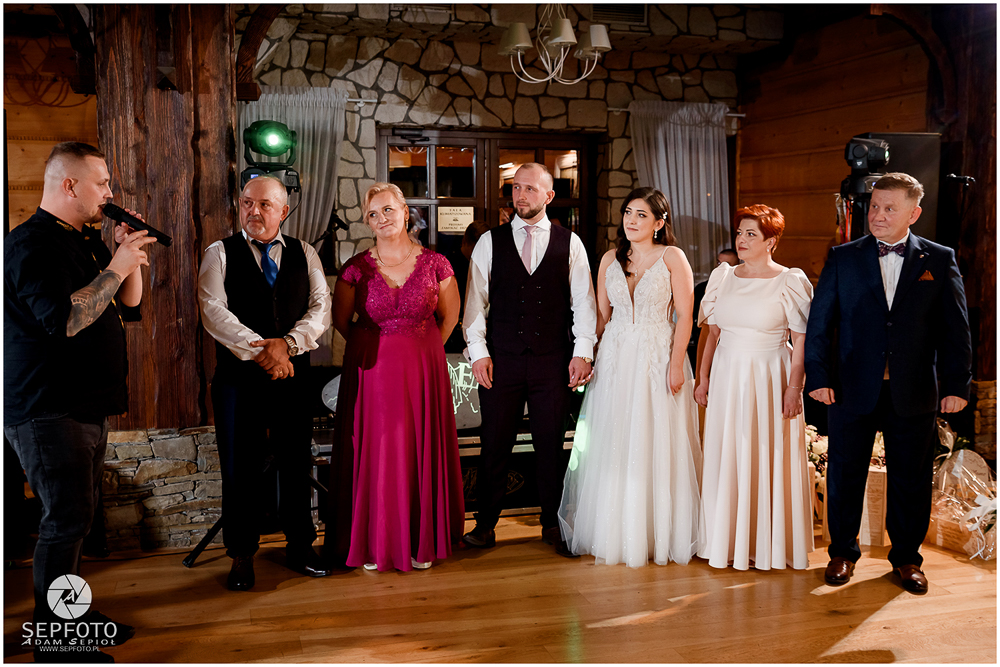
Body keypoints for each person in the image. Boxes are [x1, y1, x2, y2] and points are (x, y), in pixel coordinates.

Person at [4, 141, 155, 660]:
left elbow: (128, 303)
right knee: (63, 521)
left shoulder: (83, 239)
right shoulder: (31, 245)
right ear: (69, 185)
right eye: (102, 183)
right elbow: (67, 319)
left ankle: (73, 616)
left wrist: (127, 254)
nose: (110, 193)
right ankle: (55, 640)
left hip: (84, 405)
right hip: (47, 407)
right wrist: (116, 265)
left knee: (78, 520)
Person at [805, 172, 972, 593]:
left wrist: (957, 385)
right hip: (850, 387)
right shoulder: (843, 257)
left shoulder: (939, 259)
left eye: (889, 208)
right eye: (875, 206)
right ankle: (842, 554)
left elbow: (956, 328)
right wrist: (818, 377)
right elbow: (820, 324)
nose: (877, 215)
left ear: (914, 213)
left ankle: (907, 560)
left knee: (910, 480)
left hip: (914, 390)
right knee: (844, 474)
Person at [198, 175, 332, 591]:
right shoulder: (219, 252)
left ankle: (300, 546)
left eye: (264, 205)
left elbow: (321, 308)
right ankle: (241, 554)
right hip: (238, 382)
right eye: (246, 203)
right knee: (240, 467)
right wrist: (262, 351)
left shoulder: (305, 253)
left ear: (284, 211)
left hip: (293, 377)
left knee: (295, 461)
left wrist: (287, 346)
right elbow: (213, 310)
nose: (253, 211)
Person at [557, 187, 704, 566]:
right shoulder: (610, 258)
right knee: (614, 437)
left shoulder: (673, 257)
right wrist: (585, 356)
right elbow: (601, 317)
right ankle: (613, 530)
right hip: (616, 355)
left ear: (659, 223)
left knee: (654, 436)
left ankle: (656, 531)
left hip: (657, 352)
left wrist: (676, 364)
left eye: (641, 215)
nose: (632, 221)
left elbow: (685, 316)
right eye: (628, 213)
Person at [462, 162, 598, 556]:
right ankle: (485, 525)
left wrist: (583, 352)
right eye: (516, 188)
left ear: (549, 196)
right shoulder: (489, 242)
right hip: (501, 360)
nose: (520, 195)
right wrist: (479, 353)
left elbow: (584, 304)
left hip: (552, 360)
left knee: (551, 446)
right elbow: (474, 304)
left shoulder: (570, 243)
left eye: (529, 189)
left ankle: (552, 524)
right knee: (494, 443)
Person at [329, 183, 464, 572]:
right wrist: (377, 345)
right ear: (367, 222)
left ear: (406, 212)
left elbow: (449, 317)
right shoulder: (355, 268)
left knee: (418, 448)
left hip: (423, 369)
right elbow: (342, 321)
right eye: (373, 214)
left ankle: (421, 540)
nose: (382, 218)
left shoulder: (436, 263)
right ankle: (374, 542)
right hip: (371, 373)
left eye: (388, 209)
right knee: (377, 452)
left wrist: (422, 348)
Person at [695, 205, 814, 570]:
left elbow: (801, 340)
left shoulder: (790, 281)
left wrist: (794, 387)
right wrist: (703, 377)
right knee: (727, 453)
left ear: (771, 242)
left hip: (769, 376)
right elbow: (712, 334)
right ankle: (725, 542)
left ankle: (767, 545)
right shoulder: (723, 277)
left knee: (766, 453)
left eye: (751, 234)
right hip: (728, 375)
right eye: (740, 233)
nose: (742, 240)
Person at [688, 248, 738, 371]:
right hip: (705, 343)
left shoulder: (740, 289)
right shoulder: (701, 288)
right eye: (719, 263)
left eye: (727, 264)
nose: (722, 267)